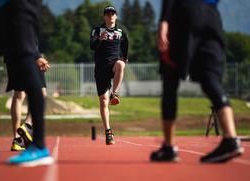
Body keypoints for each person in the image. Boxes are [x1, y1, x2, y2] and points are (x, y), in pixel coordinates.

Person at [150, 0, 244, 163]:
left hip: (184, 14)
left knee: (170, 78)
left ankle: (169, 147)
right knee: (210, 78)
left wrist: (164, 21)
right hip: (212, 17)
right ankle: (230, 138)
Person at [0, 0, 53, 166]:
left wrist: (37, 54)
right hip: (2, 10)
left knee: (28, 65)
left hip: (21, 7)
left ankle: (39, 145)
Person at [90, 6, 128, 145]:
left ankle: (115, 93)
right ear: (104, 17)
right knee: (103, 101)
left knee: (121, 65)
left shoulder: (121, 32)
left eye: (113, 14)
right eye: (108, 14)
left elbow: (125, 47)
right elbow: (92, 46)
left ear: (116, 16)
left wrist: (125, 58)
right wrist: (100, 39)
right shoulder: (97, 30)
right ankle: (108, 132)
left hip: (113, 64)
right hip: (100, 69)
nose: (110, 16)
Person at [7, 56, 49, 151]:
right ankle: (27, 125)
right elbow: (29, 40)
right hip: (29, 56)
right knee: (41, 93)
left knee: (18, 95)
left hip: (12, 57)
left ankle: (17, 140)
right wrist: (37, 56)